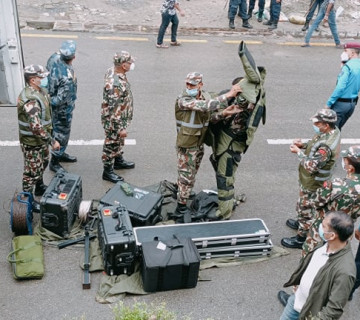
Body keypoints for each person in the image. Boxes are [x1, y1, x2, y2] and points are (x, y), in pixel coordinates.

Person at [206, 41, 266, 221]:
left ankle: (224, 211)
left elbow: (213, 116)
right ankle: (228, 200)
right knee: (226, 174)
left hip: (230, 146)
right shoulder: (236, 100)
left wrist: (223, 111)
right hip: (228, 144)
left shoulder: (245, 106)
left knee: (224, 178)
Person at [173, 72, 242, 223]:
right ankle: (180, 207)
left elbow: (209, 117)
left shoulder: (204, 96)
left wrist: (224, 113)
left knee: (191, 174)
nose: (189, 87)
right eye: (188, 84)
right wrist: (230, 94)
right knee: (186, 176)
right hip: (186, 146)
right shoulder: (183, 99)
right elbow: (204, 106)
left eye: (192, 84)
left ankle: (184, 193)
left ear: (200, 85)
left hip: (198, 144)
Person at [278, 211, 356, 320]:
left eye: (323, 226)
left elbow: (333, 310)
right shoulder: (326, 244)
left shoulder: (345, 271)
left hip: (310, 315)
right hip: (296, 301)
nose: (319, 227)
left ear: (332, 235)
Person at [281, 109, 341, 249]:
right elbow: (316, 144)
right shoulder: (331, 131)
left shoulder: (326, 147)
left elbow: (311, 166)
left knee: (306, 209)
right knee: (303, 205)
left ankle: (301, 237)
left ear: (326, 125)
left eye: (317, 123)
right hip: (311, 181)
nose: (315, 125)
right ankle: (301, 223)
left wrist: (298, 152)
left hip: (314, 183)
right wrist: (304, 145)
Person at [302, 145, 360, 257]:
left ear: (351, 168)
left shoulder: (335, 185)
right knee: (335, 259)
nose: (343, 162)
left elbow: (315, 202)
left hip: (323, 228)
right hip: (344, 232)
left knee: (310, 257)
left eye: (345, 160)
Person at [17, 65, 60, 210]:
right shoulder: (31, 100)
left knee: (43, 163)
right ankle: (27, 200)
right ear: (33, 79)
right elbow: (35, 126)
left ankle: (39, 186)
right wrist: (52, 141)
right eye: (41, 77)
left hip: (40, 141)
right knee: (31, 172)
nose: (44, 79)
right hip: (32, 143)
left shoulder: (40, 91)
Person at [101, 51, 136, 183]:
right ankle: (108, 170)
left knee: (119, 142)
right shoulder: (115, 83)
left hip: (121, 116)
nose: (131, 64)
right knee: (112, 142)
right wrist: (120, 128)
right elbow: (114, 108)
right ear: (123, 65)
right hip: (114, 120)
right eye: (129, 62)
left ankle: (118, 160)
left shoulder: (115, 71)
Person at [47, 40, 78, 172]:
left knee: (58, 133)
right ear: (73, 57)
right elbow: (59, 100)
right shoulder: (67, 79)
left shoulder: (53, 58)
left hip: (50, 97)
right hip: (62, 110)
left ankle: (61, 152)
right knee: (62, 134)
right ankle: (55, 160)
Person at [325, 42, 360, 130]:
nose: (343, 53)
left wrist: (329, 103)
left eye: (345, 51)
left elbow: (340, 87)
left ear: (352, 53)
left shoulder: (347, 67)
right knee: (337, 130)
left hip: (341, 104)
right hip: (351, 105)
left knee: (331, 133)